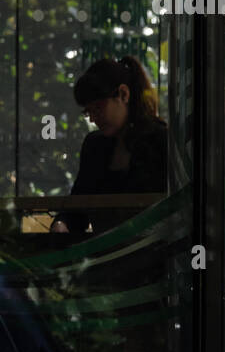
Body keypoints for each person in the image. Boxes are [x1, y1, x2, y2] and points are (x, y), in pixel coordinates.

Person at [52, 56, 168, 235]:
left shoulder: (160, 140)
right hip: (105, 255)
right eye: (88, 112)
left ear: (123, 94)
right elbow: (77, 205)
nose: (93, 118)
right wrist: (61, 223)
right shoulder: (95, 146)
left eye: (98, 108)